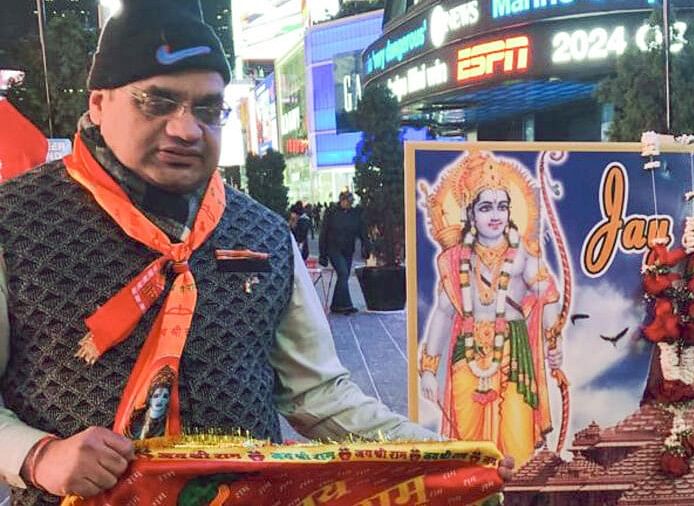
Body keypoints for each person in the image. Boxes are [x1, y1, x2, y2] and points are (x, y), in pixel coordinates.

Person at [0, 2, 512, 504]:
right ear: (97, 103)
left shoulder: (263, 231)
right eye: (156, 102)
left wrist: (444, 454)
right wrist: (37, 455)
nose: (185, 128)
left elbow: (317, 394)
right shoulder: (14, 222)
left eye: (207, 108)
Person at [418, 153, 563, 469]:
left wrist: (553, 341)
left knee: (516, 437)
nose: (495, 215)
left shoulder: (523, 253)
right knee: (467, 441)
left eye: (502, 206)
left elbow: (547, 295)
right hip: (467, 355)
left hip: (514, 355)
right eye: (485, 207)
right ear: (470, 212)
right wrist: (429, 367)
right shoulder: (456, 259)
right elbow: (443, 313)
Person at [317, 191, 369, 315]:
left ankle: (337, 305)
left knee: (343, 276)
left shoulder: (355, 214)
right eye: (347, 202)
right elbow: (323, 233)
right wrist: (322, 254)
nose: (349, 204)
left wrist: (366, 245)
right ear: (341, 201)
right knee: (343, 273)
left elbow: (361, 231)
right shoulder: (332, 213)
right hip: (333, 248)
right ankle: (346, 305)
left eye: (351, 202)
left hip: (348, 249)